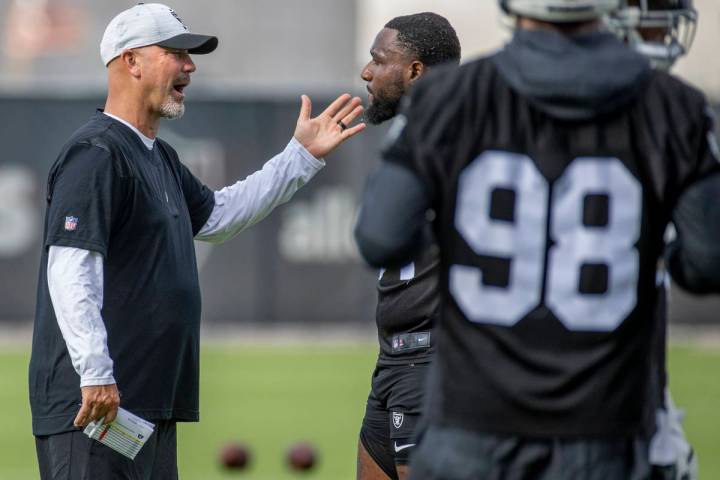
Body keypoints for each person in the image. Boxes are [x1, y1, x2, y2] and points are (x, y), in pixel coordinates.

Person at [354, 0, 720, 478]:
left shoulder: (451, 98)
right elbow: (706, 262)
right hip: (602, 419)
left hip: (472, 414)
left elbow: (380, 237)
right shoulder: (673, 105)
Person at [29, 3, 364, 478]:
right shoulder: (96, 153)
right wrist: (96, 372)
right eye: (175, 53)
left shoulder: (157, 156)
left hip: (143, 404)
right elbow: (69, 267)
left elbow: (220, 216)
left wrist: (299, 158)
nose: (190, 66)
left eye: (190, 55)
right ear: (131, 61)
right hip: (94, 407)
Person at [355, 13, 461, 480]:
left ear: (415, 71)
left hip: (432, 363)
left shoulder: (462, 136)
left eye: (379, 61)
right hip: (393, 362)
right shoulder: (414, 135)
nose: (366, 72)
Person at [608, 2, 699, 479]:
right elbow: (705, 261)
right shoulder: (668, 108)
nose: (667, 26)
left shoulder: (488, 97)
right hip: (617, 400)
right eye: (655, 11)